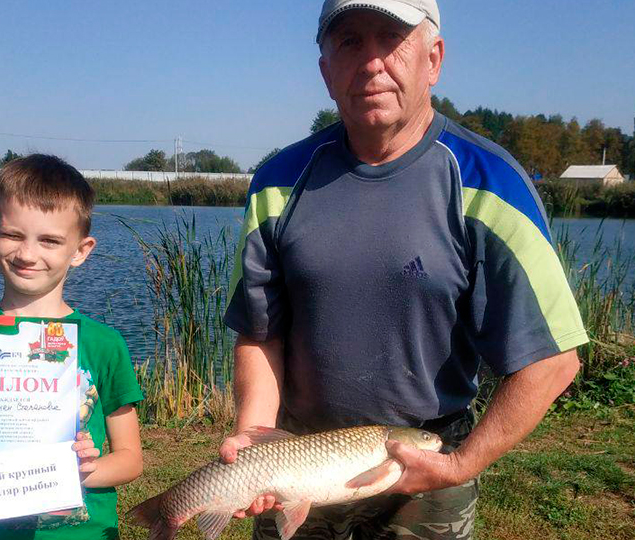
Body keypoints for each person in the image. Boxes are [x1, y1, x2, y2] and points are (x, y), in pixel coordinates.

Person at [220, 1, 589, 538]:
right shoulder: (277, 182)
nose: (371, 62)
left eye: (391, 39)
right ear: (325, 69)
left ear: (433, 59)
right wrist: (255, 443)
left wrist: (459, 466)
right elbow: (261, 334)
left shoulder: (490, 184)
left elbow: (554, 361)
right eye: (349, 42)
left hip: (429, 458)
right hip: (299, 458)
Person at [0, 154, 145, 539]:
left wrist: (88, 469)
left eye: (50, 240)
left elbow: (131, 460)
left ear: (81, 250)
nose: (27, 254)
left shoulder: (105, 344)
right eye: (12, 234)